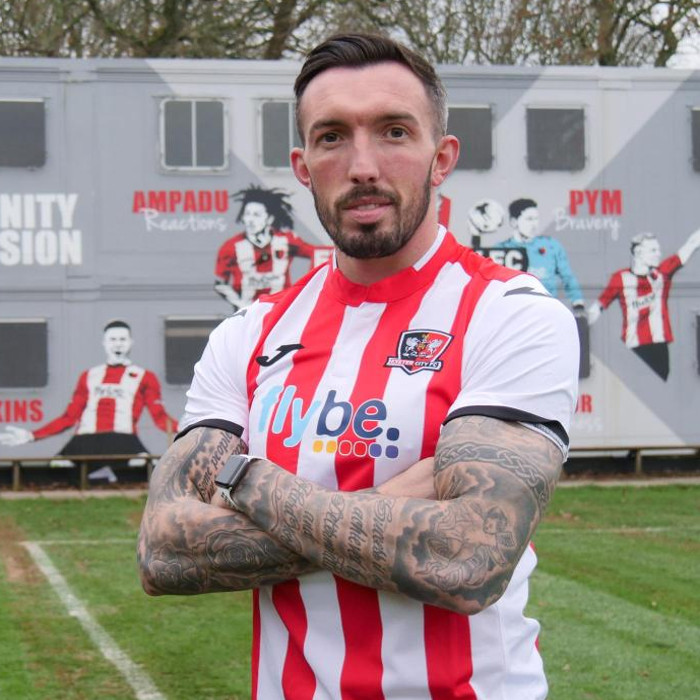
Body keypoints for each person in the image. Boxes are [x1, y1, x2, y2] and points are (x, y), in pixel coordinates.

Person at [138, 33, 579, 699]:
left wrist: (245, 480)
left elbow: (469, 556)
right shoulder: (250, 334)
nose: (363, 165)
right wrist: (404, 499)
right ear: (303, 165)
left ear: (441, 158)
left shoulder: (511, 314)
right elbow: (164, 553)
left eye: (395, 132)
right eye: (332, 137)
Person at [0, 320, 178, 474]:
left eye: (122, 339)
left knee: (146, 468)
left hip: (123, 439)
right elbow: (69, 418)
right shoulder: (90, 375)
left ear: (131, 342)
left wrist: (185, 427)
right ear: (104, 343)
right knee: (57, 466)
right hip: (84, 440)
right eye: (113, 339)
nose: (118, 344)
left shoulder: (144, 376)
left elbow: (160, 417)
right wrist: (31, 435)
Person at [588, 228, 700, 380]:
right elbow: (598, 307)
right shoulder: (620, 278)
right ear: (638, 252)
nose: (659, 254)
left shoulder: (662, 273)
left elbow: (691, 245)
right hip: (632, 350)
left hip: (659, 348)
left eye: (658, 250)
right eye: (653, 250)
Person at [214, 185, 332, 310]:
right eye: (247, 214)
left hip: (281, 312)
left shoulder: (286, 240)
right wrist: (240, 304)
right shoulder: (231, 246)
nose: (250, 220)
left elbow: (317, 253)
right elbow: (220, 284)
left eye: (256, 215)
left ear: (269, 219)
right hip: (247, 315)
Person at [500, 197, 585, 312]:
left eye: (536, 219)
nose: (534, 224)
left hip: (547, 312)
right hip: (514, 313)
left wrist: (578, 303)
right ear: (514, 222)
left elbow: (568, 277)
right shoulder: (500, 250)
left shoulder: (551, 246)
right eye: (529, 219)